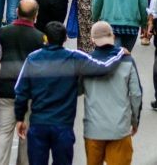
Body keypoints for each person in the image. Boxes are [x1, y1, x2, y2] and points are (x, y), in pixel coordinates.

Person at [14, 22, 127, 165]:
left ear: (45, 39)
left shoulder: (33, 58)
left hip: (38, 123)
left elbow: (21, 91)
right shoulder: (74, 57)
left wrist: (20, 118)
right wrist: (119, 52)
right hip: (63, 125)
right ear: (65, 39)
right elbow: (104, 68)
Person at [0, 0, 46, 165]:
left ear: (17, 12)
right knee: (26, 134)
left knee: (3, 132)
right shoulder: (41, 39)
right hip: (30, 94)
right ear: (36, 15)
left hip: (7, 89)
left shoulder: (3, 32)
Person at [82, 22, 142, 165]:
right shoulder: (127, 60)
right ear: (113, 37)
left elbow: (76, 89)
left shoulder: (85, 63)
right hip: (119, 129)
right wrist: (134, 121)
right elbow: (136, 94)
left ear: (92, 40)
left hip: (93, 129)